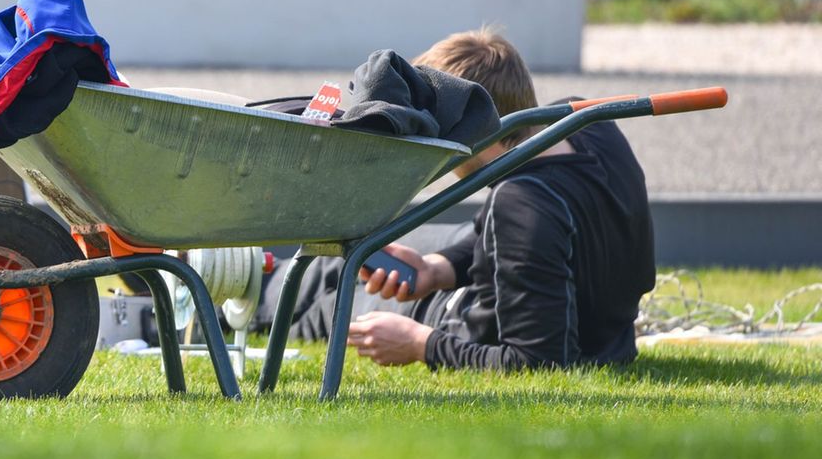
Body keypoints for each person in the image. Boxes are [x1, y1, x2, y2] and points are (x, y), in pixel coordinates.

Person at [280, 28, 655, 370]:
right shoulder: (591, 125)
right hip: (611, 336)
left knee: (331, 302)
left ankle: (242, 294)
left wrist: (418, 343)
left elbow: (537, 361)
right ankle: (255, 278)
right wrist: (437, 268)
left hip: (463, 320)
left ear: (464, 125)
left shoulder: (520, 205)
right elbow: (541, 241)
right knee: (347, 261)